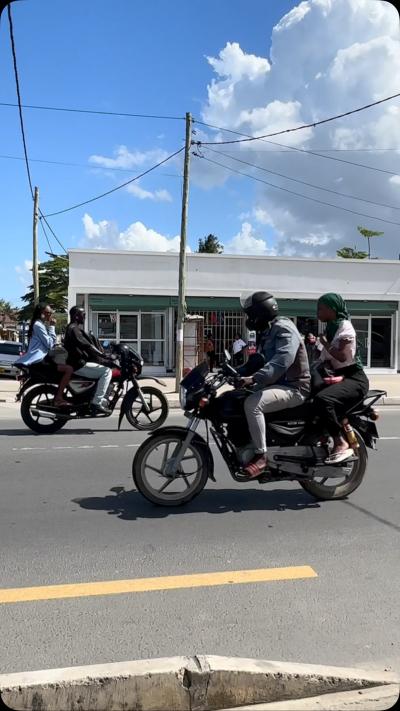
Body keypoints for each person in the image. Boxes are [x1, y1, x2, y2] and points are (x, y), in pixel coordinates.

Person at [239, 291, 311, 478]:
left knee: (253, 404)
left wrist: (254, 378)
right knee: (237, 397)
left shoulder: (284, 328)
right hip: (276, 385)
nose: (249, 319)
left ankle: (261, 456)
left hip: (294, 388)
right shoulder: (268, 331)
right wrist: (235, 371)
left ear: (260, 313)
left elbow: (281, 361)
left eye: (251, 314)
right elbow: (259, 360)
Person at [313, 293, 369, 464]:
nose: (318, 312)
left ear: (332, 309)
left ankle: (340, 441)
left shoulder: (345, 327)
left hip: (355, 379)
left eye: (321, 309)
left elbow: (343, 357)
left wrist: (325, 343)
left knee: (323, 399)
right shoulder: (330, 328)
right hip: (340, 376)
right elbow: (323, 357)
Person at [15, 303, 73, 407]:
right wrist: (52, 327)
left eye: (51, 313)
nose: (50, 315)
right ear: (42, 314)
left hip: (41, 358)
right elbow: (50, 344)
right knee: (68, 369)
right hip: (40, 360)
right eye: (48, 313)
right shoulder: (38, 325)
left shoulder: (38, 324)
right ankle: (58, 398)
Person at [63, 306, 113, 415]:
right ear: (76, 316)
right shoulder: (74, 329)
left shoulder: (72, 328)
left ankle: (92, 397)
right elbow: (88, 346)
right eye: (83, 314)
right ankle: (97, 403)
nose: (84, 317)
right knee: (107, 371)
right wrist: (104, 356)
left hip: (76, 363)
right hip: (78, 364)